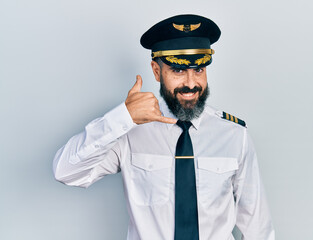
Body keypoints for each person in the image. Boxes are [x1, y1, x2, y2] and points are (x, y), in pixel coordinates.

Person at [53, 14, 275, 240]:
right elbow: (67, 172)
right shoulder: (129, 131)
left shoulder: (234, 135)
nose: (190, 83)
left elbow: (256, 226)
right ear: (157, 71)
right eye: (178, 71)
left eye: (199, 70)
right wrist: (123, 117)